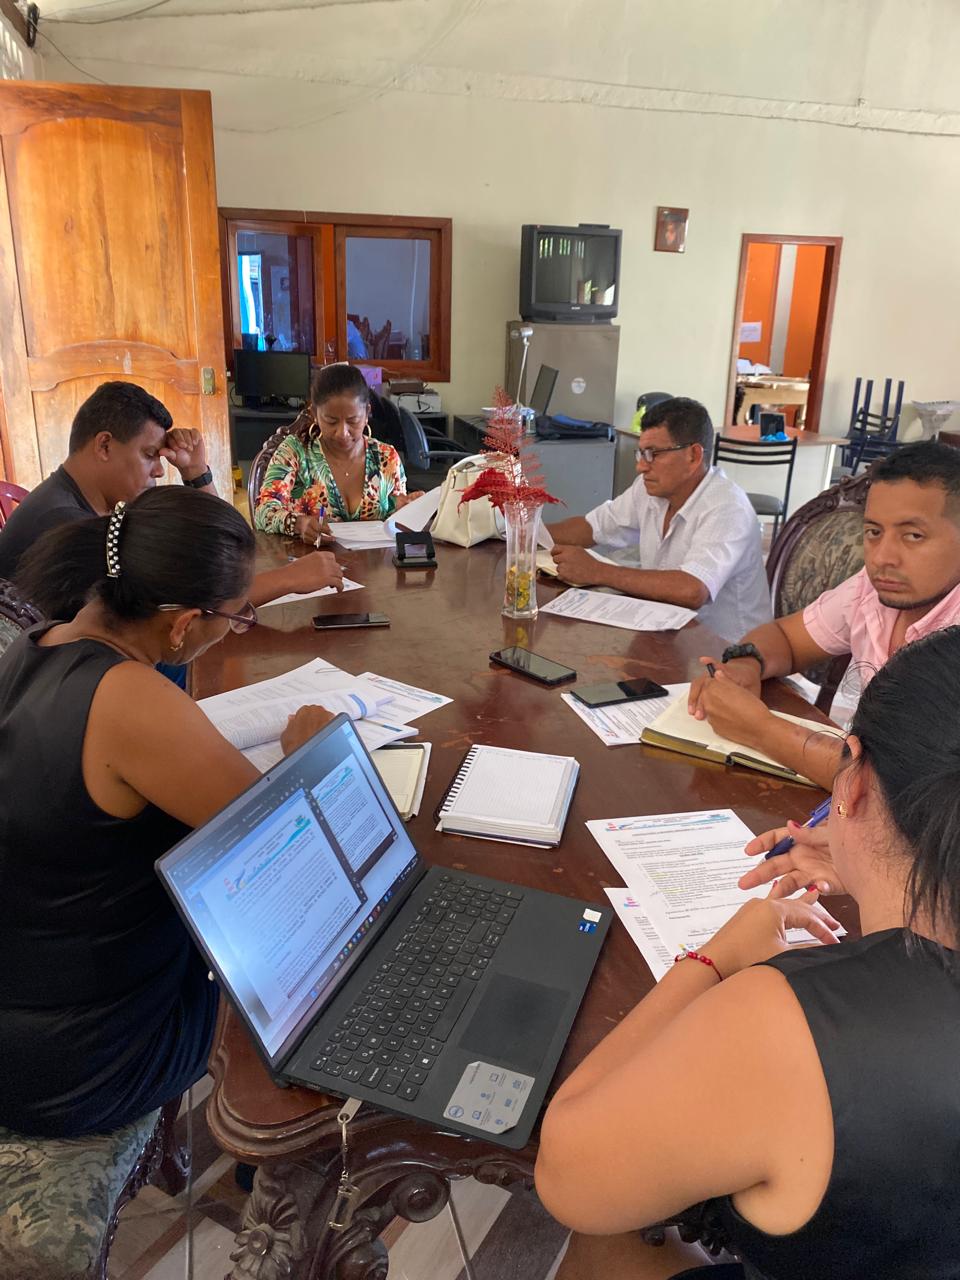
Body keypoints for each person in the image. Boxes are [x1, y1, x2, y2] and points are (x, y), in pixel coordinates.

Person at [536, 625, 960, 1280]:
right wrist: (878, 864)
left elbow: (568, 1178)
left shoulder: (788, 1023)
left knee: (609, 1241)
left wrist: (714, 959)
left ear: (852, 782)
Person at [0, 487, 332, 1137]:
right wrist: (305, 753)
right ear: (182, 624)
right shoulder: (129, 700)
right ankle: (285, 1141)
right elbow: (287, 849)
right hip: (85, 1062)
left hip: (29, 1012)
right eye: (235, 617)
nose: (235, 626)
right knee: (305, 941)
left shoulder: (37, 644)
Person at [687, 440, 960, 791]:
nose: (882, 557)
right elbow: (786, 638)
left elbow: (895, 785)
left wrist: (759, 729)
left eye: (913, 535)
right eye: (874, 532)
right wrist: (744, 665)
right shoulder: (869, 591)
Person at [0, 381, 345, 612]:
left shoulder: (99, 506)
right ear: (104, 445)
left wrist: (196, 473)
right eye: (149, 455)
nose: (158, 470)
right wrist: (288, 578)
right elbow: (175, 610)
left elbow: (223, 549)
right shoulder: (63, 522)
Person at [546, 397, 771, 641]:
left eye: (653, 454)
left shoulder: (727, 506)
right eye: (641, 454)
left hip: (727, 650)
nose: (641, 467)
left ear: (693, 456)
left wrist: (597, 571)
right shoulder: (649, 490)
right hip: (669, 632)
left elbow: (693, 589)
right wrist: (523, 532)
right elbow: (593, 527)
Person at [254, 364, 424, 542]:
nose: (342, 433)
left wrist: (407, 509)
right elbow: (263, 512)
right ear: (315, 414)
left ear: (367, 413)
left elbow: (394, 520)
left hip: (373, 559)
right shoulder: (295, 452)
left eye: (353, 421)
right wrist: (299, 524)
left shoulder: (386, 457)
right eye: (331, 421)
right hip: (310, 558)